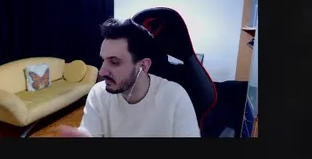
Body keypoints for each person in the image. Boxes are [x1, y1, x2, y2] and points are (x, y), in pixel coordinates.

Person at [52, 18, 201, 138]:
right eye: (103, 60)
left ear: (143, 66)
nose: (102, 71)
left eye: (114, 62)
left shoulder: (175, 97)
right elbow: (90, 132)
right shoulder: (98, 93)